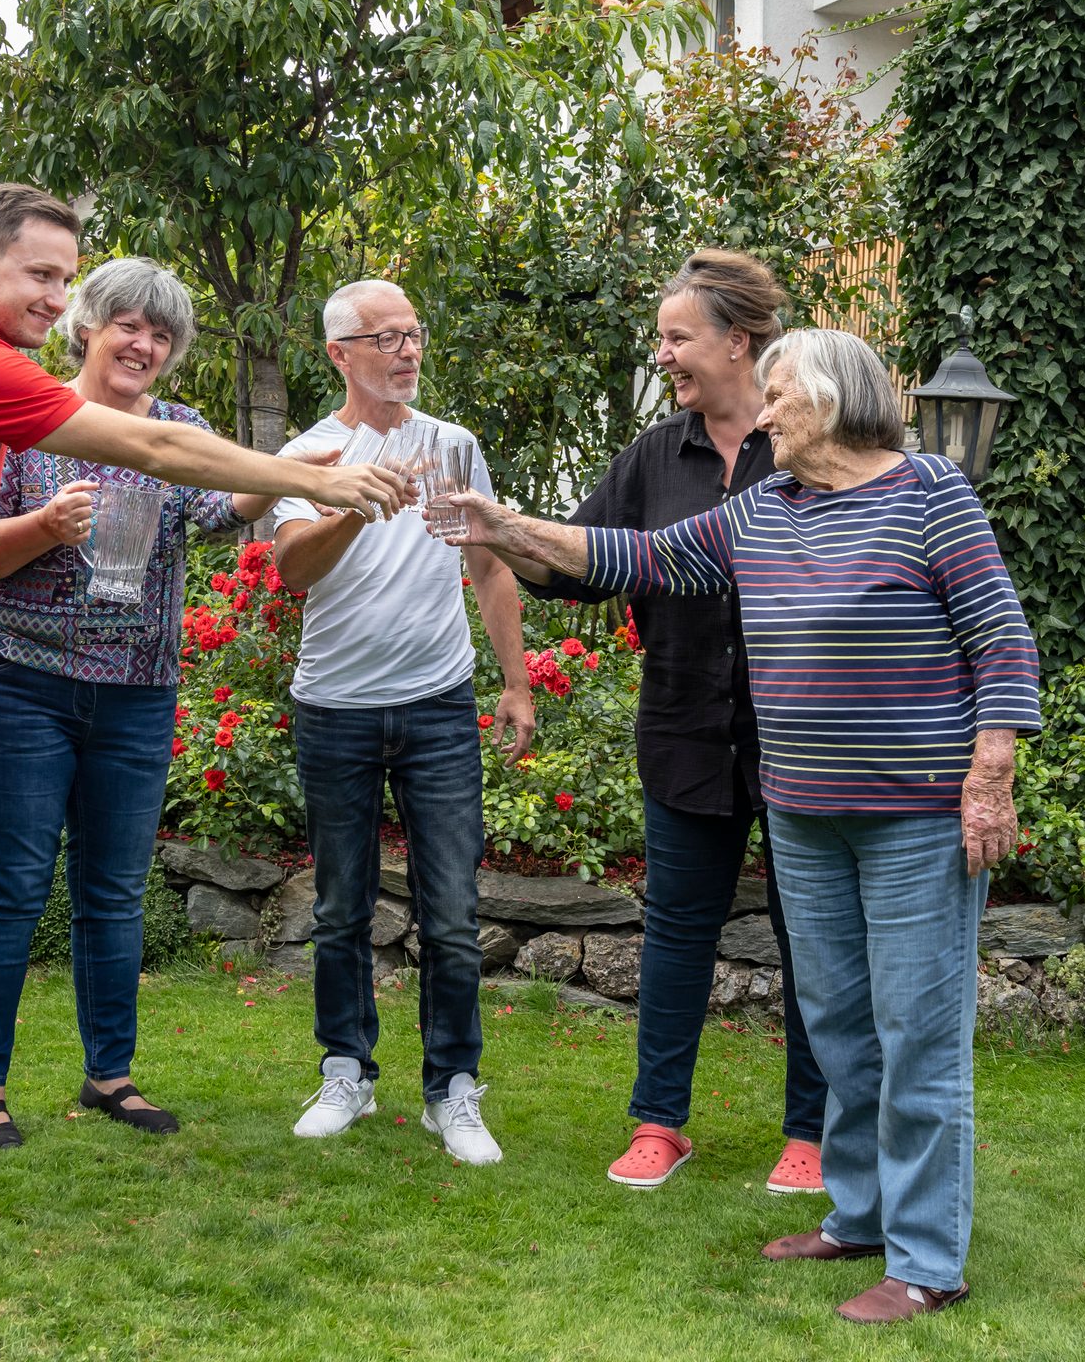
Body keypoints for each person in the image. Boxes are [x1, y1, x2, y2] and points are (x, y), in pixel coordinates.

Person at [0, 185, 407, 1272]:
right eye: (41, 276)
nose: (58, 297)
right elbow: (157, 455)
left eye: (64, 275)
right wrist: (303, 470)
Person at [433, 327, 1040, 1324]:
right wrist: (506, 527)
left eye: (780, 397)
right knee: (839, 1025)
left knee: (917, 1038)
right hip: (803, 813)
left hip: (917, 816)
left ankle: (928, 1261)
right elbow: (637, 556)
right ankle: (860, 1215)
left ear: (837, 400)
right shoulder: (765, 510)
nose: (763, 417)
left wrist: (990, 774)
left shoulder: (932, 494)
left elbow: (999, 635)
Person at [500, 250, 828, 1192]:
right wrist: (507, 538)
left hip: (802, 737)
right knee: (679, 931)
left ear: (739, 342)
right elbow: (586, 559)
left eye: (678, 337)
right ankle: (658, 1125)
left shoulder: (806, 441)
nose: (666, 356)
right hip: (684, 727)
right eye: (662, 339)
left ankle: (810, 1134)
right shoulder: (655, 454)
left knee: (811, 936)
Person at [0, 258, 287, 1148]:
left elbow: (225, 506)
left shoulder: (180, 429)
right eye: (129, 324)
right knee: (11, 886)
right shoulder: (26, 420)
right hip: (20, 685)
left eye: (162, 333)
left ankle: (112, 1077)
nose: (145, 343)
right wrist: (41, 527)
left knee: (114, 892)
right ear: (87, 326)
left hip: (138, 696)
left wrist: (295, 472)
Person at [271, 279, 535, 1165]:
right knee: (343, 905)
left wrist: (514, 681)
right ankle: (347, 1069)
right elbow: (292, 571)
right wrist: (358, 502)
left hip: (437, 706)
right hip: (336, 708)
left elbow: (492, 569)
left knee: (453, 909)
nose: (408, 351)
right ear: (340, 353)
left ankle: (452, 1091)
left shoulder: (454, 446)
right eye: (386, 338)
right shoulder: (309, 454)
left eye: (415, 334)